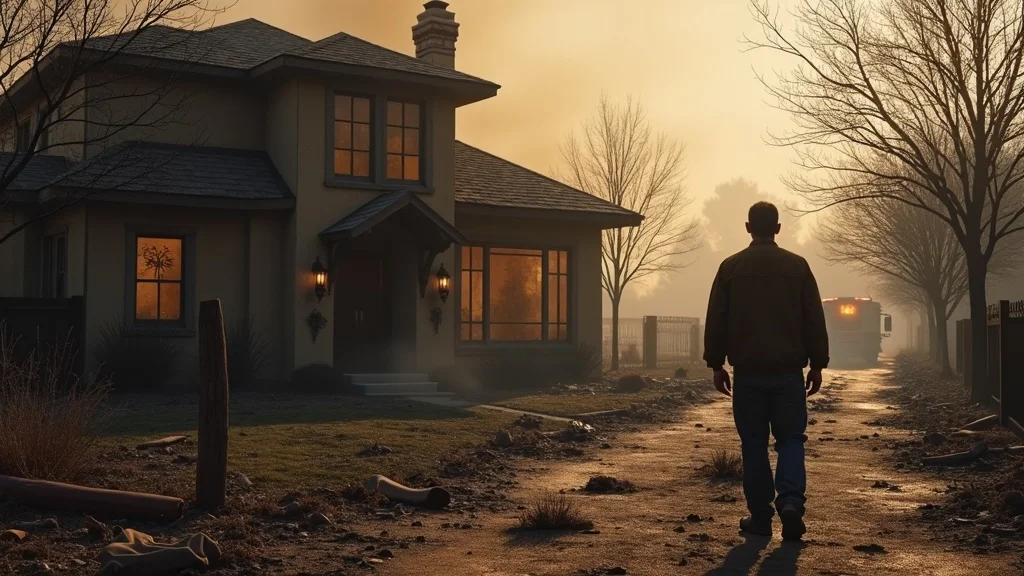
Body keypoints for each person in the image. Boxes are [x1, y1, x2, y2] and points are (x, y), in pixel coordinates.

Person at [702, 201, 829, 541]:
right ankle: (790, 502)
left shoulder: (730, 268)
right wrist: (818, 363)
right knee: (790, 439)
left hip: (748, 374)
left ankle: (760, 516)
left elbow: (717, 320)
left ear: (747, 228)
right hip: (788, 372)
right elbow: (813, 318)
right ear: (777, 227)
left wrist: (716, 364)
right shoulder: (798, 267)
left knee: (753, 444)